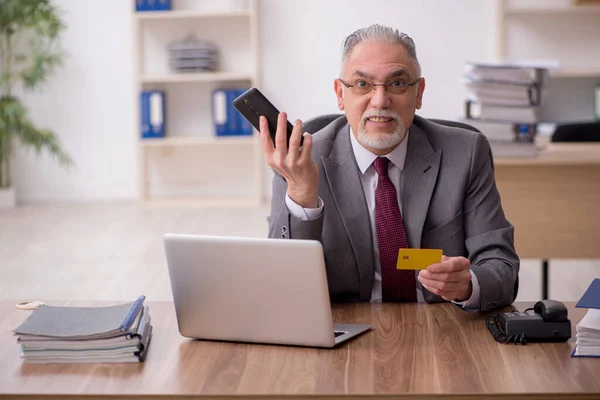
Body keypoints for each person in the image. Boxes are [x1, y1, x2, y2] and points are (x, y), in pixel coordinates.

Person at [260, 24, 519, 311]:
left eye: (397, 84)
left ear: (418, 93)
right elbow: (282, 286)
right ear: (339, 94)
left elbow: (502, 267)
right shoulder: (300, 161)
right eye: (362, 84)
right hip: (344, 329)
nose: (380, 101)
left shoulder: (466, 153)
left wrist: (469, 283)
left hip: (441, 327)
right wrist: (301, 196)